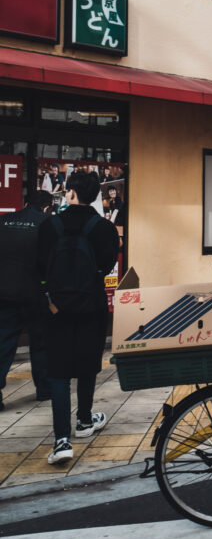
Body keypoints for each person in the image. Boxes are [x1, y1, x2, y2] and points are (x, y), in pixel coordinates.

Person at [36, 171, 120, 465]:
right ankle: (85, 420)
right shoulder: (104, 228)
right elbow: (109, 263)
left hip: (56, 309)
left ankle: (61, 440)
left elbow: (39, 267)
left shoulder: (50, 226)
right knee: (87, 365)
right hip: (92, 307)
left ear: (70, 193)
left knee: (58, 372)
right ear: (95, 195)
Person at [0, 191, 54, 409]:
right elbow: (50, 260)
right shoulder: (48, 224)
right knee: (40, 342)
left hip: (3, 292)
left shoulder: (3, 221)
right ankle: (44, 389)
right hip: (34, 293)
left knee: (3, 343)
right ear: (48, 207)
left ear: (25, 203)